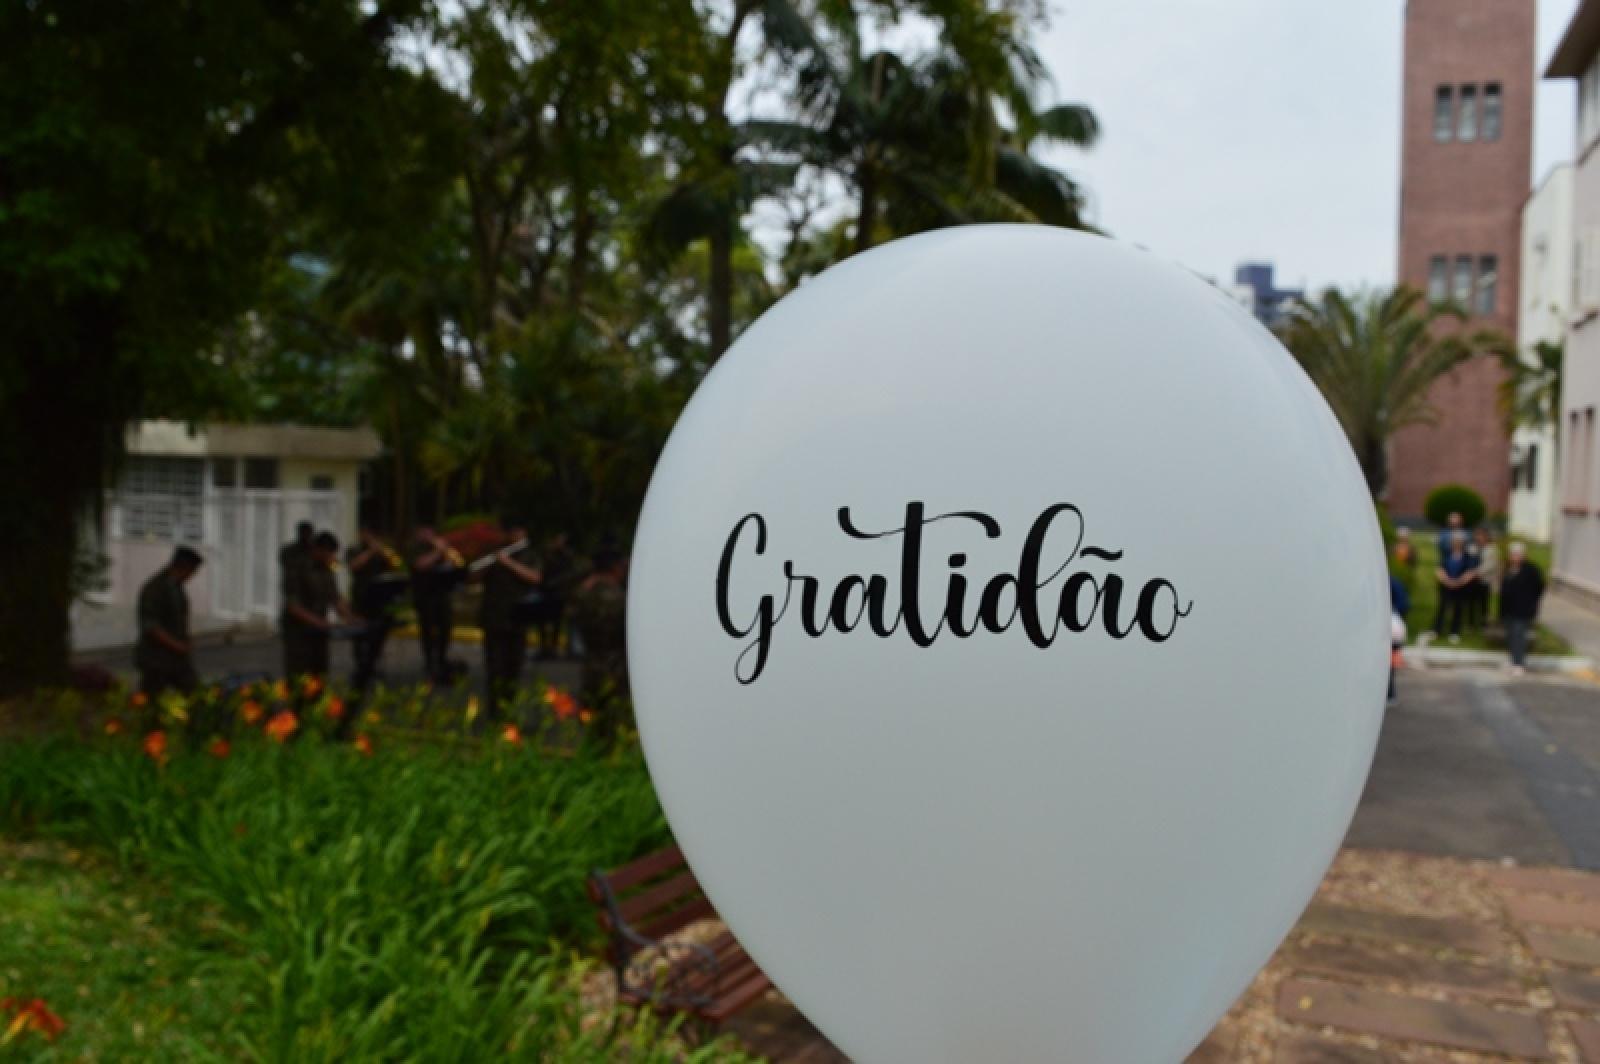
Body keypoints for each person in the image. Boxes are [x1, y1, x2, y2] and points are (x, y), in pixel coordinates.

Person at [475, 518, 541, 723]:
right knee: (495, 669)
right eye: (514, 533)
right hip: (494, 620)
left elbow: (535, 578)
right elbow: (472, 575)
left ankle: (509, 710)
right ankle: (494, 714)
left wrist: (509, 563)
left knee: (514, 667)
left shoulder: (528, 556)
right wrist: (491, 561)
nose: (518, 537)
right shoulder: (494, 553)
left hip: (517, 620)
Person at [571, 544, 629, 739]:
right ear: (615, 567)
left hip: (591, 663)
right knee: (613, 723)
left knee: (593, 724)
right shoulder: (620, 597)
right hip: (616, 667)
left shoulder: (585, 592)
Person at [282, 531, 356, 681]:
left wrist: (350, 618)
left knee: (320, 674)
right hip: (298, 632)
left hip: (318, 632)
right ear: (319, 550)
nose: (332, 558)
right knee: (300, 675)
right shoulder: (297, 567)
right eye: (329, 554)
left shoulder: (327, 569)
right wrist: (319, 622)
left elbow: (334, 597)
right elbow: (292, 605)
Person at [135, 546, 203, 700]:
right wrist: (176, 644)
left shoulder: (176, 588)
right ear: (183, 568)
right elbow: (150, 625)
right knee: (153, 699)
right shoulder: (155, 588)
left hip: (176, 659)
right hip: (156, 658)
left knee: (193, 692)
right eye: (192, 571)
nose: (192, 576)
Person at [346, 524, 404, 690]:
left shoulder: (383, 552)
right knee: (359, 635)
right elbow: (353, 566)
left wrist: (382, 552)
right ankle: (360, 667)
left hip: (380, 600)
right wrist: (371, 551)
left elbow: (396, 565)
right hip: (361, 598)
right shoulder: (354, 550)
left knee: (378, 633)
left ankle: (373, 664)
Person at [410, 526, 463, 686]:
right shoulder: (416, 548)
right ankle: (429, 663)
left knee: (446, 628)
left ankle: (442, 660)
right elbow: (420, 564)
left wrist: (445, 552)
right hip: (424, 597)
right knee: (428, 631)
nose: (429, 535)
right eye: (425, 532)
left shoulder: (440, 548)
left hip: (442, 595)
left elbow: (456, 564)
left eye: (431, 532)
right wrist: (438, 552)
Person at [1500, 541, 1546, 675]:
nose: (1515, 557)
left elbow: (1539, 588)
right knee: (1510, 635)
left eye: (1518, 554)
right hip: (1508, 609)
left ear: (1523, 555)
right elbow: (1504, 590)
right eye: (1513, 554)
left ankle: (1519, 663)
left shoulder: (1531, 570)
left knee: (1519, 636)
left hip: (1523, 610)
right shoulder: (1508, 569)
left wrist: (1531, 602)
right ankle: (1513, 660)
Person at [533, 532, 576, 660]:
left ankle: (553, 648)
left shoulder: (567, 555)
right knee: (542, 622)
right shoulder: (546, 553)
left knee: (557, 623)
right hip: (545, 592)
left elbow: (569, 574)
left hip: (559, 593)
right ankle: (544, 648)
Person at [1432, 530, 1473, 643]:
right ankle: (1437, 630)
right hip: (1446, 586)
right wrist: (1446, 580)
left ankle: (1454, 632)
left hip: (1460, 587)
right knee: (1442, 608)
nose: (1457, 543)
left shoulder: (1467, 556)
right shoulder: (1446, 555)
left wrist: (1459, 582)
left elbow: (1470, 572)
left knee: (1458, 609)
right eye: (1455, 541)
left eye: (1459, 541)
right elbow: (1440, 568)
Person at [1469, 527, 1500, 631]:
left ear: (1486, 537)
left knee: (1484, 603)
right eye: (1477, 535)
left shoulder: (1491, 549)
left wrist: (1476, 572)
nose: (1479, 537)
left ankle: (1483, 623)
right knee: (1471, 602)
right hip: (1471, 581)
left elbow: (1491, 564)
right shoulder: (1472, 547)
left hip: (1484, 580)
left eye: (1482, 535)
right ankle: (1471, 624)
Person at [279, 520, 314, 600]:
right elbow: (288, 567)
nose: (306, 536)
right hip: (295, 590)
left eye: (308, 533)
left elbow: (335, 567)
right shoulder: (289, 551)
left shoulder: (316, 552)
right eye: (304, 533)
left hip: (312, 593)